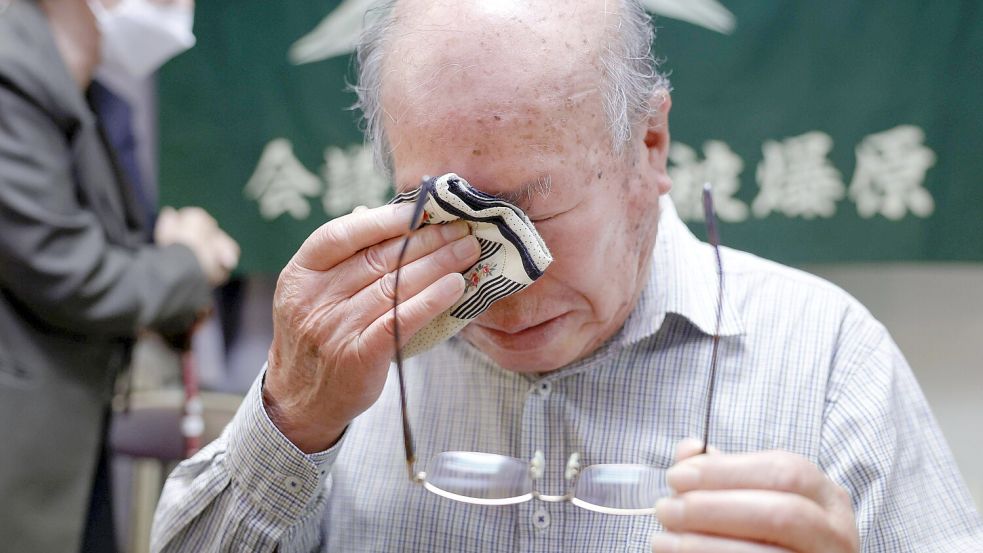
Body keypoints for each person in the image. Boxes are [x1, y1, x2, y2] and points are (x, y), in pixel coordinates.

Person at [152, 0, 983, 551]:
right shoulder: (349, 364)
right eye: (444, 216)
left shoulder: (826, 358)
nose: (495, 278)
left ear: (647, 148)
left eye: (527, 211)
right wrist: (291, 420)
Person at [0, 0, 239, 551]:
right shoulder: (13, 77)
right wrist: (187, 262)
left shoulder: (88, 97)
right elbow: (72, 274)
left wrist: (171, 256)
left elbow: (115, 253)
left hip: (71, 437)